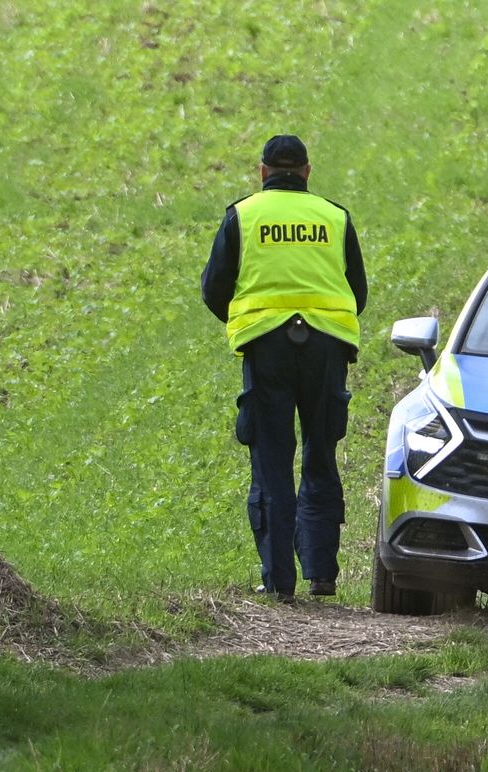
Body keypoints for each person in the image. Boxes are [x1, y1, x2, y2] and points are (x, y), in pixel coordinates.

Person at [200, 134, 367, 602]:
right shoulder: (335, 217)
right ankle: (321, 573)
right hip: (327, 350)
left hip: (267, 348)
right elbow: (358, 291)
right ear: (308, 173)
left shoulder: (243, 215)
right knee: (319, 454)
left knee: (271, 457)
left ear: (262, 172)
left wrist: (251, 322)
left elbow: (215, 288)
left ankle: (279, 582)